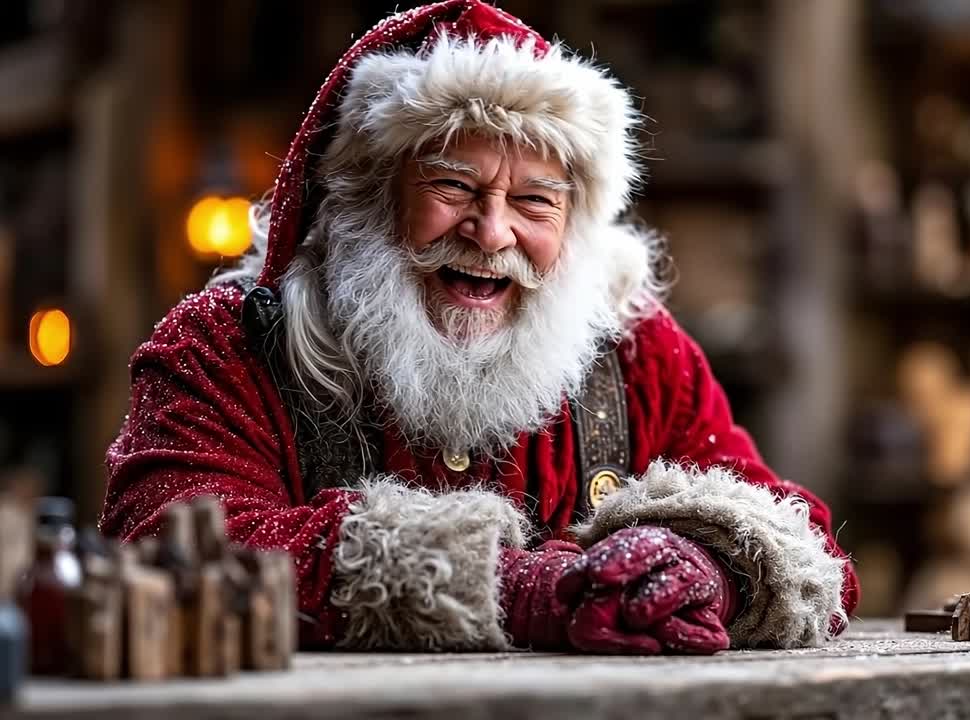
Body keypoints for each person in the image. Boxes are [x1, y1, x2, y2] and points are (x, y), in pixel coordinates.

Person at [100, 0, 858, 654]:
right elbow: (168, 551)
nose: (492, 233)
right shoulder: (221, 346)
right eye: (453, 185)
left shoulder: (636, 350)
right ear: (366, 196)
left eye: (535, 202)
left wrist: (711, 569)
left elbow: (805, 544)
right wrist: (509, 585)